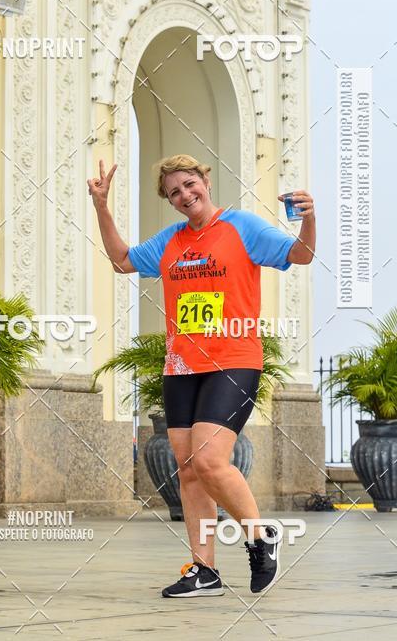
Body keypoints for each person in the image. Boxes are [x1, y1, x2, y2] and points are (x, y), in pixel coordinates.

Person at [87, 154, 316, 598]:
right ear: (170, 201)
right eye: (174, 192)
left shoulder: (242, 227)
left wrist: (309, 219)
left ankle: (261, 537)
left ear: (206, 181)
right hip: (181, 367)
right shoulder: (171, 241)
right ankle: (204, 569)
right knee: (189, 470)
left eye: (190, 184)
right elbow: (121, 260)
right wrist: (101, 206)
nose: (185, 195)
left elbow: (300, 255)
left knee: (210, 461)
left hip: (233, 361)